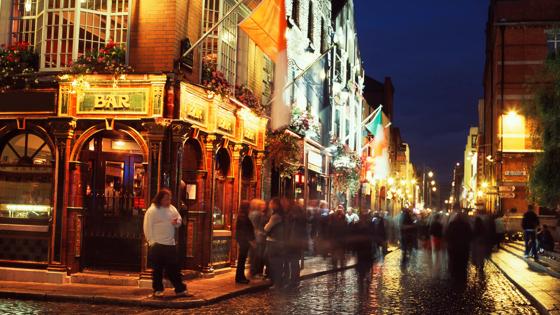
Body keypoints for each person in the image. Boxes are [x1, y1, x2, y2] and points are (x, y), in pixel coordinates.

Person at [143, 188, 190, 298]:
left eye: (169, 199)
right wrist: (151, 241)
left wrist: (176, 222)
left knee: (173, 268)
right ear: (160, 199)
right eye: (166, 199)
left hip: (170, 244)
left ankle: (180, 289)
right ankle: (158, 289)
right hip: (157, 244)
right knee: (157, 269)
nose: (168, 201)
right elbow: (147, 227)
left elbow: (179, 220)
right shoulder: (152, 211)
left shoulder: (172, 209)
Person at [264, 198, 285, 289]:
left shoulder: (275, 216)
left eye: (271, 203)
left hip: (273, 241)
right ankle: (277, 281)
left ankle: (277, 282)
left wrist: (266, 225)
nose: (270, 205)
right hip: (278, 241)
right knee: (277, 262)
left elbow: (266, 228)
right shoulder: (281, 214)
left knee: (274, 262)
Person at [285, 201, 307, 287]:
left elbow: (292, 231)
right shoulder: (301, 217)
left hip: (293, 242)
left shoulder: (294, 219)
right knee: (295, 261)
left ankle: (293, 280)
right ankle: (295, 279)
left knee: (293, 261)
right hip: (297, 242)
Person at [446, 212, 472, 283]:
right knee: (463, 263)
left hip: (453, 247)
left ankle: (454, 276)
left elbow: (447, 235)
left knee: (454, 261)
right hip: (464, 247)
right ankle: (462, 277)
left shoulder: (452, 225)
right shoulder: (466, 225)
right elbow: (470, 235)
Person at [235, 201, 256, 284]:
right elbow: (246, 231)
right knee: (242, 260)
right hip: (244, 241)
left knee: (242, 260)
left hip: (242, 240)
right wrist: (251, 240)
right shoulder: (244, 218)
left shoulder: (242, 216)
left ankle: (240, 277)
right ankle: (240, 278)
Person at [248, 199, 267, 278]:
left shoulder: (251, 213)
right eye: (262, 205)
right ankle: (255, 272)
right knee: (258, 256)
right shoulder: (259, 214)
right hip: (259, 237)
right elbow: (261, 226)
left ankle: (253, 272)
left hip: (253, 236)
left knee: (254, 255)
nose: (264, 206)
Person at [429, 213, 444, 278]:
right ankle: (438, 265)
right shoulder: (440, 224)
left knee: (435, 251)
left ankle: (435, 263)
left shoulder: (433, 224)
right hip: (439, 238)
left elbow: (430, 232)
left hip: (434, 238)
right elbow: (442, 232)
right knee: (438, 251)